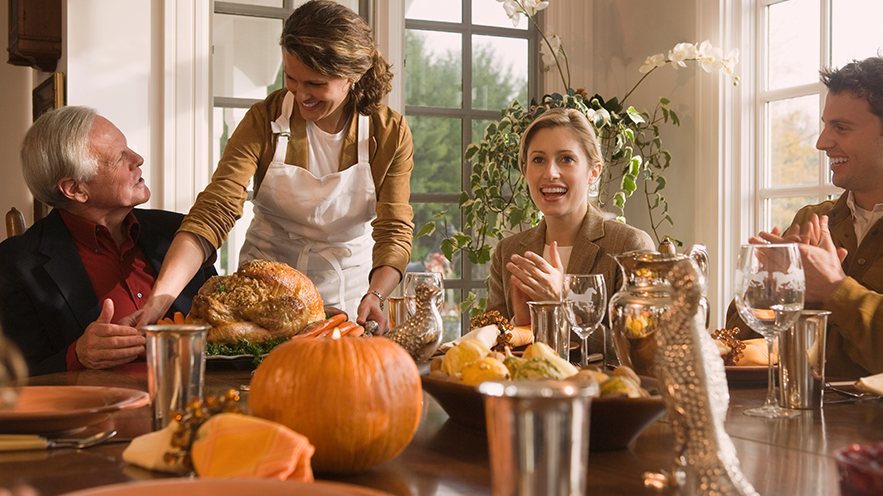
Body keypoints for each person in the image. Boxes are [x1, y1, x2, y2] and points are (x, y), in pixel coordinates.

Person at [126, 0, 413, 334]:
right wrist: (159, 301)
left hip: (348, 300)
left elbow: (394, 229)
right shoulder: (263, 121)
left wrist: (375, 294)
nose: (301, 94)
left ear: (351, 76)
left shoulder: (387, 133)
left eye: (315, 83)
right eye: (292, 78)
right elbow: (215, 209)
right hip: (263, 303)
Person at [0, 106, 216, 376]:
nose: (138, 159)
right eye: (119, 158)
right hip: (97, 414)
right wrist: (77, 355)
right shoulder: (17, 263)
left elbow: (221, 331)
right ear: (75, 189)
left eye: (130, 149)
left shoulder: (180, 231)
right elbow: (14, 380)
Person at [727, 55, 883, 380]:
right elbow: (737, 341)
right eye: (825, 126)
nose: (822, 142)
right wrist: (768, 287)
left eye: (841, 127)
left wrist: (835, 289)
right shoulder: (812, 218)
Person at [486, 108, 655, 326]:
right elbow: (491, 342)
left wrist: (560, 305)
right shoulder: (507, 252)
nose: (550, 173)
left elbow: (640, 346)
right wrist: (520, 325)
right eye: (538, 160)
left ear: (594, 172)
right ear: (525, 170)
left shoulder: (630, 246)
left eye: (566, 159)